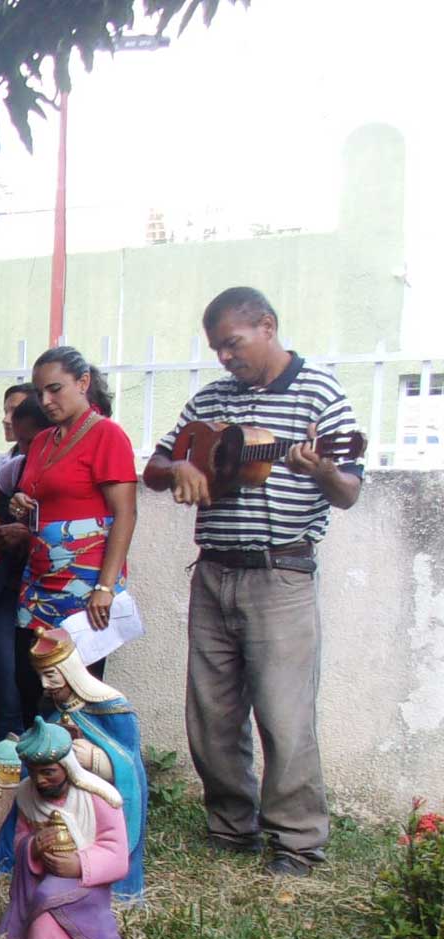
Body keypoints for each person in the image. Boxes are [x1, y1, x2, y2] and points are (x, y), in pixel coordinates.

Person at [141, 286, 364, 876]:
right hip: (213, 569)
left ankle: (296, 843)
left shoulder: (320, 392)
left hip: (280, 572)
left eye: (232, 344)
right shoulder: (211, 397)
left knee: (285, 714)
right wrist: (183, 464)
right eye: (217, 348)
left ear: (267, 325)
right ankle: (231, 827)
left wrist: (324, 471)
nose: (225, 358)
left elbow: (348, 491)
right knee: (211, 711)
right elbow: (156, 466)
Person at [4, 344, 138, 719]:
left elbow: (125, 515)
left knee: (78, 686)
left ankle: (84, 769)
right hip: (40, 579)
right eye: (39, 392)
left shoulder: (107, 435)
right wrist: (20, 505)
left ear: (83, 382)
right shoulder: (44, 440)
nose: (46, 400)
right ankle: (43, 770)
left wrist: (105, 587)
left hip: (85, 582)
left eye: (55, 389)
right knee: (30, 679)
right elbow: (36, 499)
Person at [0, 719, 130, 939]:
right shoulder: (27, 795)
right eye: (33, 772)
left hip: (86, 884)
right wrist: (33, 847)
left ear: (67, 767)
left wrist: (79, 864)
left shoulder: (98, 797)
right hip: (44, 877)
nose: (41, 780)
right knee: (46, 891)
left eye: (48, 772)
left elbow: (117, 853)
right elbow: (20, 840)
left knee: (50, 893)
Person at [0, 396, 50, 745]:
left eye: (32, 441)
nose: (24, 449)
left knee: (47, 680)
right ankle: (9, 759)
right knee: (8, 677)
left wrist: (31, 534)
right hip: (9, 590)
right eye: (21, 442)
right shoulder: (18, 466)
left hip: (53, 591)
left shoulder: (65, 472)